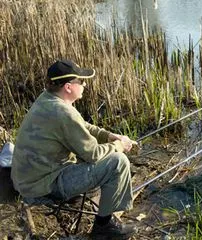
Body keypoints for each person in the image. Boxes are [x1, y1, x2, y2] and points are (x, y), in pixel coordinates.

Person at [11, 59, 137, 239]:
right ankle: (104, 227)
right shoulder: (63, 113)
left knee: (104, 155)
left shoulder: (48, 98)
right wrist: (119, 146)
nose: (85, 84)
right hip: (41, 188)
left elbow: (80, 124)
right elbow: (93, 154)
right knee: (118, 162)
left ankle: (78, 197)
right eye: (81, 81)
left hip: (28, 181)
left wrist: (108, 136)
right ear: (69, 87)